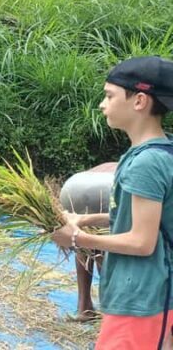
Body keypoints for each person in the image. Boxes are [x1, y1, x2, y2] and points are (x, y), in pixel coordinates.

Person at [52, 56, 173, 349]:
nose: (102, 104)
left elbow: (142, 242)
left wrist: (78, 238)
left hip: (143, 298)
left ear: (139, 100)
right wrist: (86, 220)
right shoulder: (151, 152)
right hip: (139, 294)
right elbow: (145, 217)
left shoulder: (147, 163)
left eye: (109, 96)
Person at [59, 162, 115, 322]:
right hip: (106, 187)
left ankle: (84, 307)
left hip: (74, 186)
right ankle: (109, 309)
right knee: (104, 244)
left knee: (82, 240)